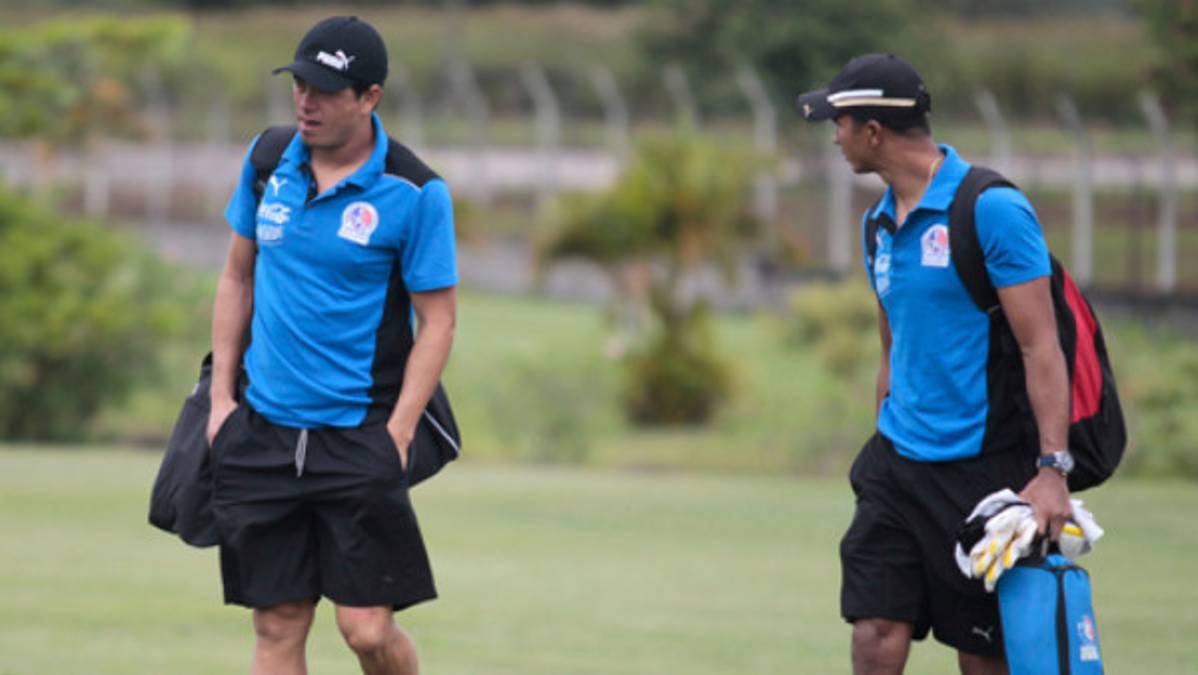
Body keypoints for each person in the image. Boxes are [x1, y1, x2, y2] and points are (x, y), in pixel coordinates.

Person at [796, 54, 1074, 675]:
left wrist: (1053, 469)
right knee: (875, 630)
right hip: (898, 467)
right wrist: (881, 442)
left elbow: (1042, 347)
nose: (835, 137)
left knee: (980, 658)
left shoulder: (991, 209)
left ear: (873, 131)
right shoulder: (876, 225)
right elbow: (892, 350)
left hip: (985, 473)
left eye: (840, 123)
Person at [207, 15, 457, 675]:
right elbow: (237, 276)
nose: (305, 101)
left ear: (370, 96)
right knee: (277, 625)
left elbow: (438, 322)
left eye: (324, 90)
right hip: (262, 431)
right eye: (299, 85)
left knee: (367, 631)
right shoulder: (268, 161)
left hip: (358, 435)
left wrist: (399, 432)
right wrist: (222, 400)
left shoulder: (414, 191)